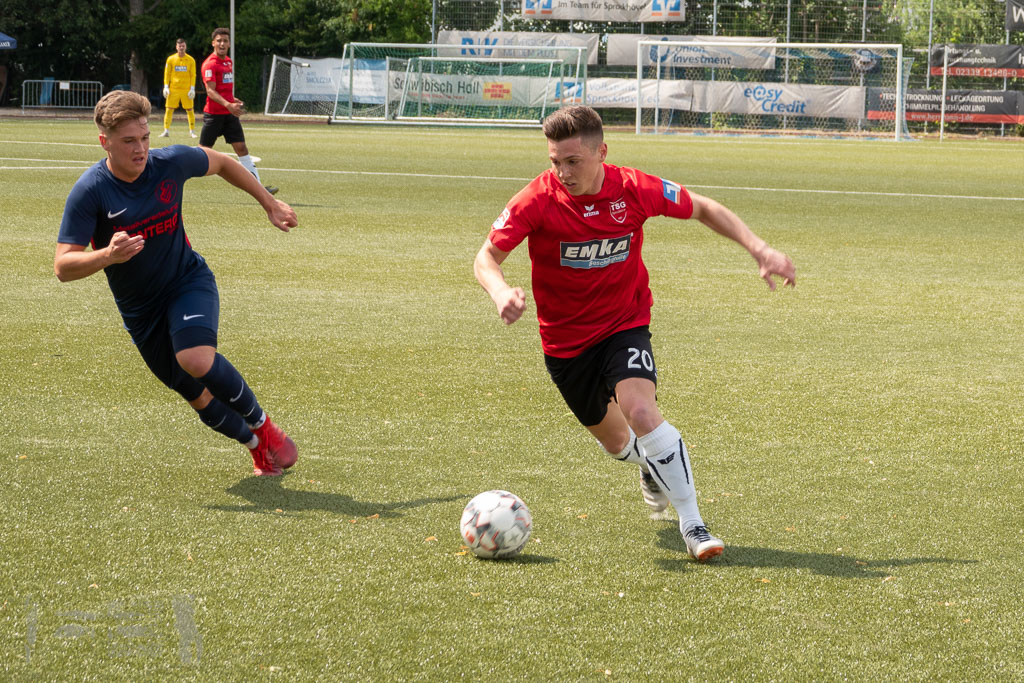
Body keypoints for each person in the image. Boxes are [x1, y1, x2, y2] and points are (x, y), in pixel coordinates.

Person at [473, 106, 796, 562]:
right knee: (617, 443)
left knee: (642, 411)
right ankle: (651, 463)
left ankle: (693, 523)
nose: (563, 172)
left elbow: (702, 207)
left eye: (573, 161)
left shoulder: (634, 189)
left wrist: (760, 249)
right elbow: (486, 258)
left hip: (624, 324)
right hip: (565, 345)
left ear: (601, 152)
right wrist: (500, 291)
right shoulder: (535, 200)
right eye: (555, 161)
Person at [55, 90, 298, 477]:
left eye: (145, 137)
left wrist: (269, 202)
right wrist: (107, 256)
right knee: (195, 394)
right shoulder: (91, 191)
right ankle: (257, 449)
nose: (140, 149)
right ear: (105, 142)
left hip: (187, 280)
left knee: (195, 358)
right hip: (141, 313)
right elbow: (63, 266)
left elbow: (222, 163)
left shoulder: (169, 163)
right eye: (129, 141)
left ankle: (263, 425)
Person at [199, 27, 277, 195]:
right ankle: (175, 178)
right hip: (214, 116)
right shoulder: (210, 64)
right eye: (219, 41)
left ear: (229, 44)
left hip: (229, 115)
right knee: (201, 153)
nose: (222, 44)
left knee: (241, 148)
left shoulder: (228, 62)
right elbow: (210, 91)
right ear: (213, 43)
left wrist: (233, 100)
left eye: (225, 41)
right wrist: (228, 104)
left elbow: (224, 89)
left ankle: (260, 189)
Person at [160, 38, 197, 139]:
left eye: (183, 46)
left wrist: (192, 88)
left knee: (190, 110)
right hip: (174, 89)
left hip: (186, 89)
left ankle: (192, 131)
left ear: (186, 47)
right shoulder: (171, 59)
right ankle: (166, 131)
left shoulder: (191, 60)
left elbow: (193, 75)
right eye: (179, 46)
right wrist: (166, 87)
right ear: (176, 47)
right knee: (169, 109)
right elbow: (167, 74)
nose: (181, 48)